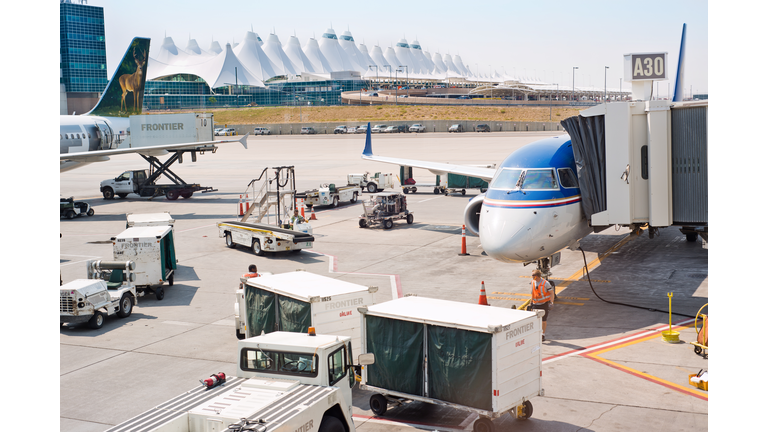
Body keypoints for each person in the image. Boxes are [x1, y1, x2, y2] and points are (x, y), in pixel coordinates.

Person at [530, 269, 554, 341]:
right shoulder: (533, 282)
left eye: (532, 275)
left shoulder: (545, 283)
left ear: (536, 276)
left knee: (543, 320)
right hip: (535, 304)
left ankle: (542, 334)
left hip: (544, 304)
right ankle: (536, 333)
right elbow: (533, 293)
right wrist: (531, 302)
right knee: (535, 320)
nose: (531, 276)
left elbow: (551, 293)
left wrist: (551, 302)